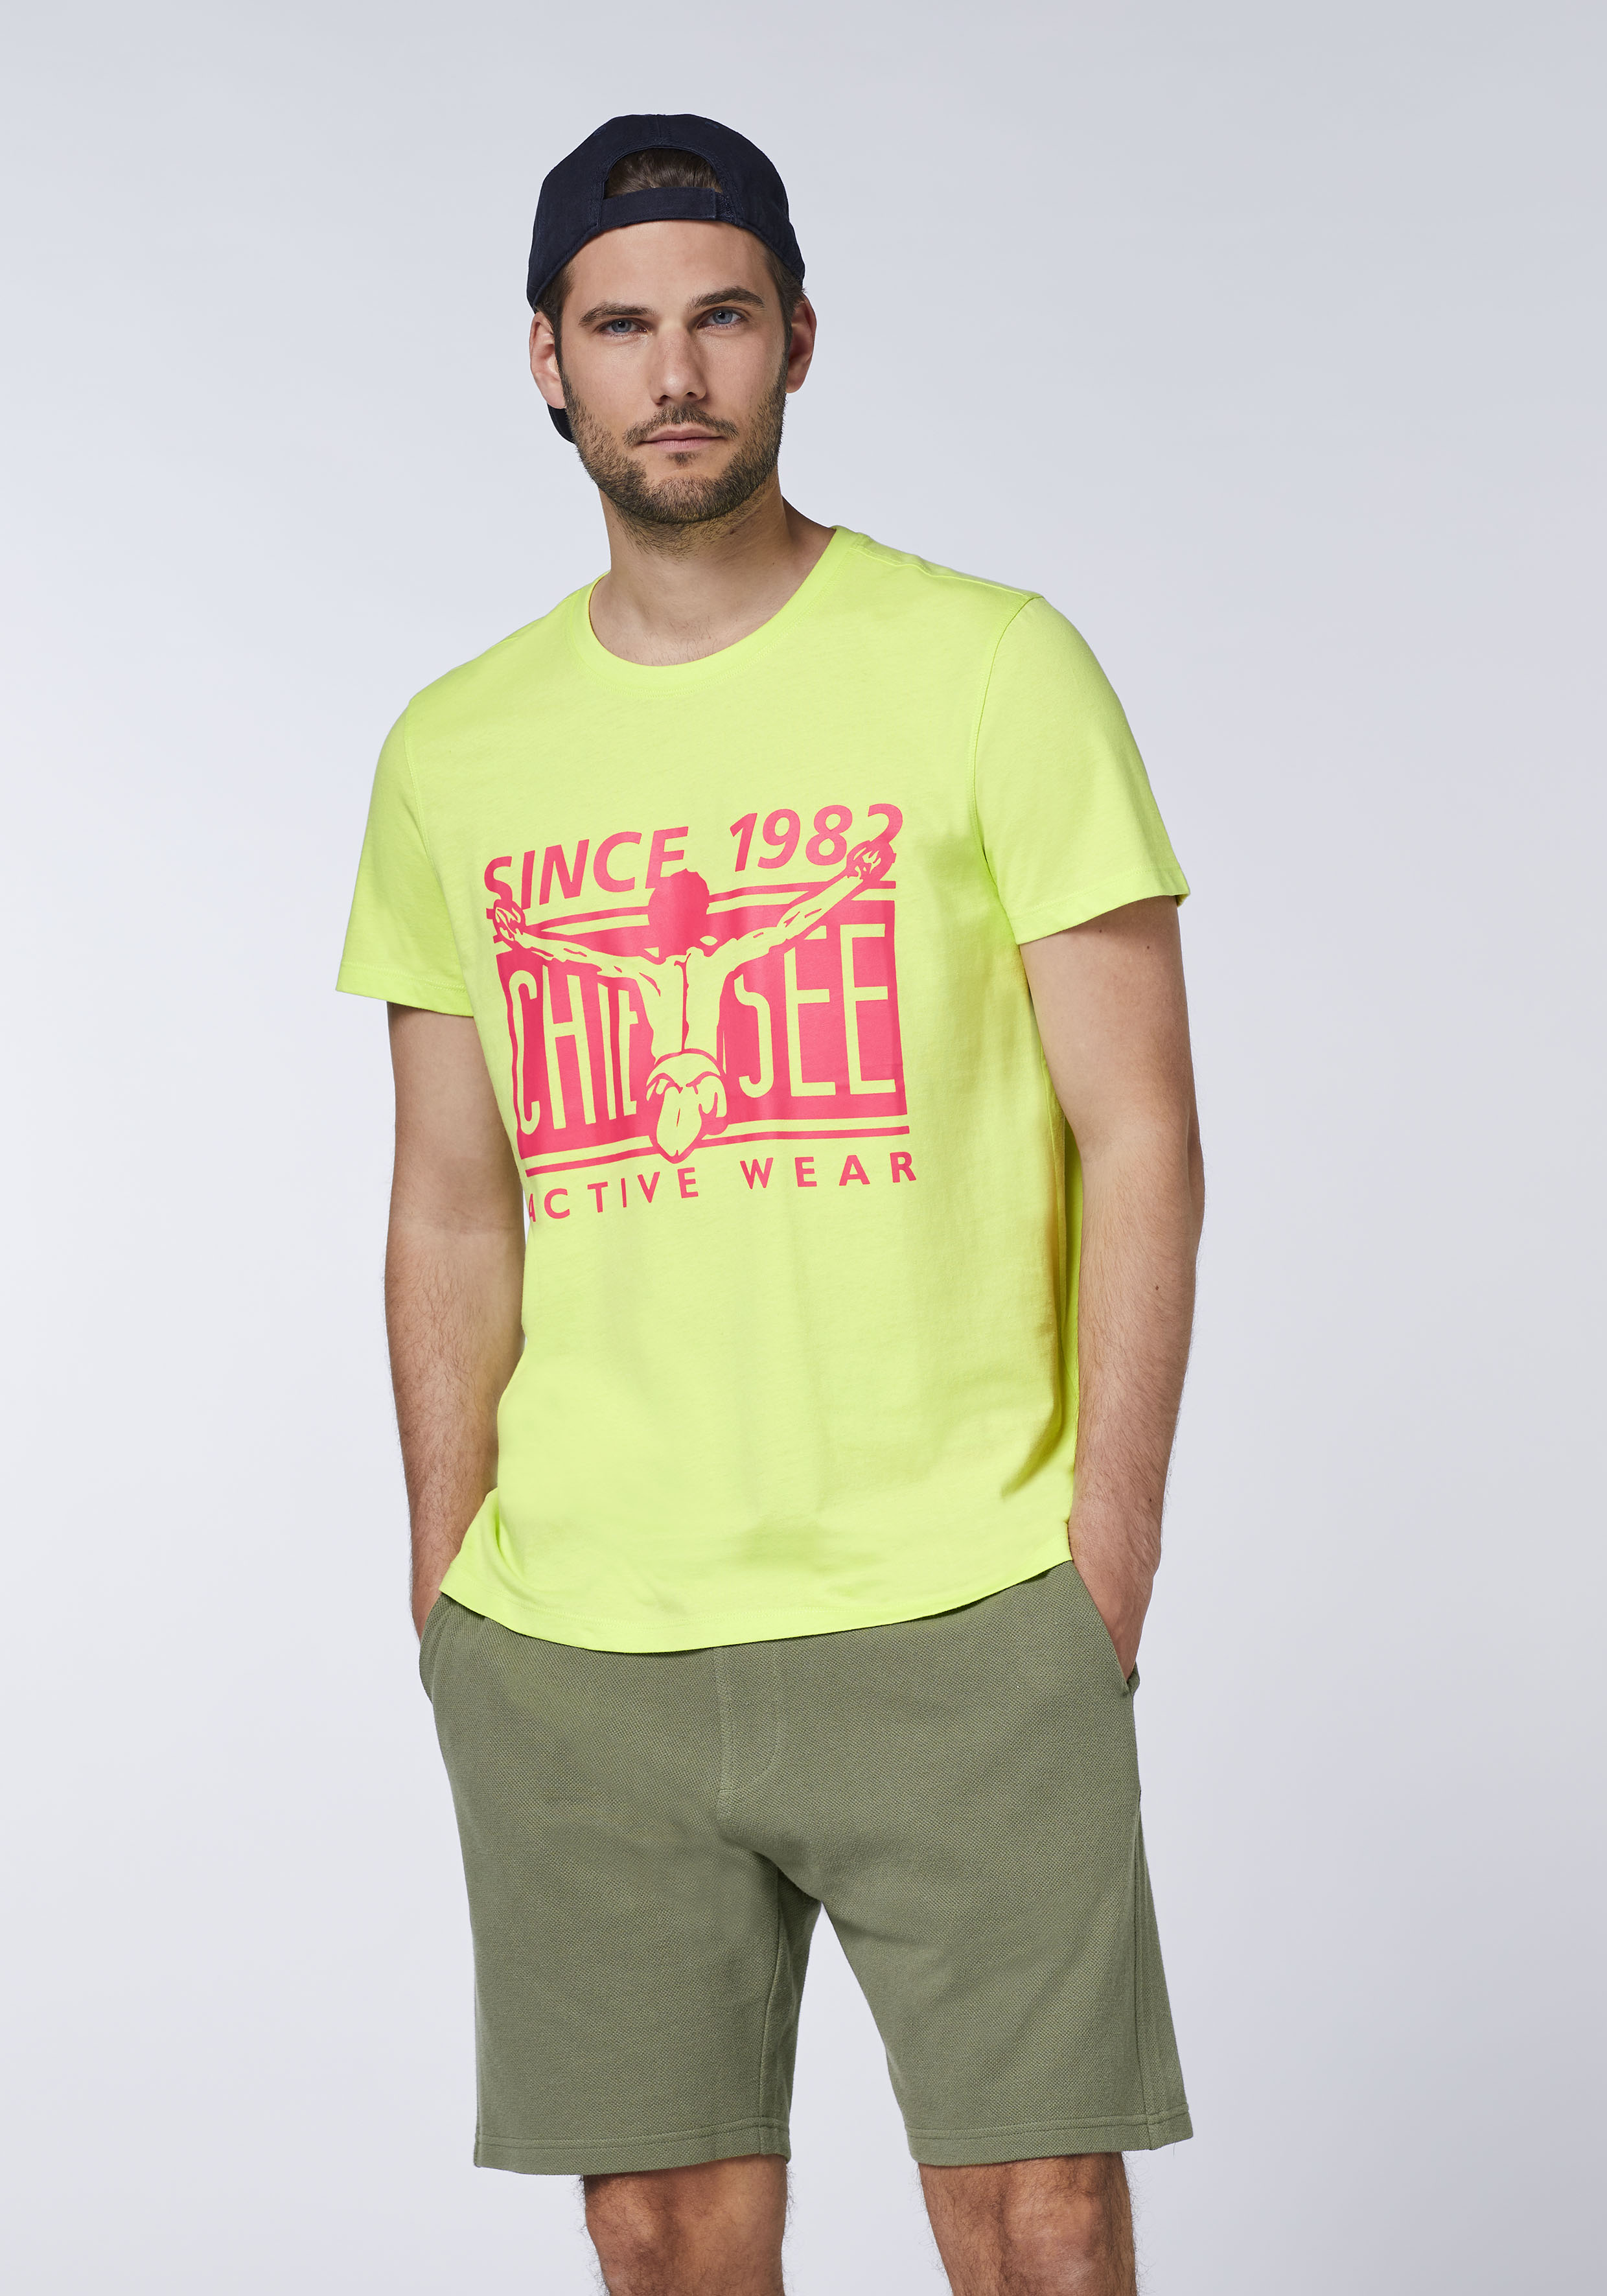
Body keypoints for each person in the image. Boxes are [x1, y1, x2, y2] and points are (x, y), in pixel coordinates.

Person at [338, 112, 1204, 2296]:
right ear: (547, 360)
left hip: (962, 1595)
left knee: (1041, 2222)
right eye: (622, 325)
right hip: (583, 1633)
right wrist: (451, 1585)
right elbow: (451, 1202)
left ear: (800, 338)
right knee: (662, 2234)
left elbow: (1142, 1133)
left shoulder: (991, 664)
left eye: (721, 316)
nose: (676, 372)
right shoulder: (455, 749)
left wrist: (1100, 1552)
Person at [488, 832, 894, 1160]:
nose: (668, 920)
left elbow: (789, 926)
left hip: (698, 1075)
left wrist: (853, 880)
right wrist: (524, 939)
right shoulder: (653, 970)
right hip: (671, 1076)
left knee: (682, 1117)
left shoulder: (703, 963)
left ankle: (693, 1106)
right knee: (675, 1127)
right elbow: (580, 957)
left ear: (699, 916)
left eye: (679, 910)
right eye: (663, 911)